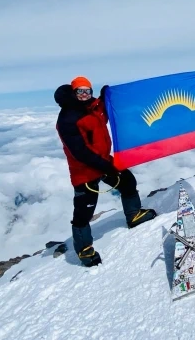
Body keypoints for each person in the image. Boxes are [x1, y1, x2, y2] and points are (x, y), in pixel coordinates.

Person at [54, 76, 157, 267]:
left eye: (88, 91)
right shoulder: (68, 119)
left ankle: (133, 215)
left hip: (103, 161)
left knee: (127, 182)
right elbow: (81, 152)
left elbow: (101, 110)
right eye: (80, 92)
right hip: (84, 171)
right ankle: (84, 250)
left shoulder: (92, 108)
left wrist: (106, 96)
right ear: (73, 93)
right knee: (84, 211)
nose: (85, 95)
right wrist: (106, 167)